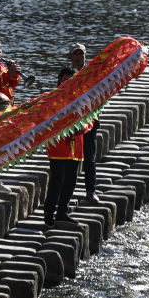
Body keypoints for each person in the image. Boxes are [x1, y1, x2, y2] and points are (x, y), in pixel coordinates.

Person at [43, 67, 87, 226]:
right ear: (60, 79)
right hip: (58, 147)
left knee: (71, 181)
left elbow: (89, 119)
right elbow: (46, 120)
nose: (68, 82)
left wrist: (83, 127)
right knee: (57, 180)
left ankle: (62, 211)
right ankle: (49, 212)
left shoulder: (81, 98)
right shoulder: (51, 98)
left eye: (72, 80)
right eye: (65, 79)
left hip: (77, 146)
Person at [67, 44, 100, 202]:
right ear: (70, 57)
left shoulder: (93, 73)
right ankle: (66, 193)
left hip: (89, 121)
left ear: (85, 56)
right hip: (70, 124)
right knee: (70, 160)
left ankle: (90, 191)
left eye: (81, 54)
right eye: (75, 54)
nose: (78, 57)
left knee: (89, 158)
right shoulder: (67, 75)